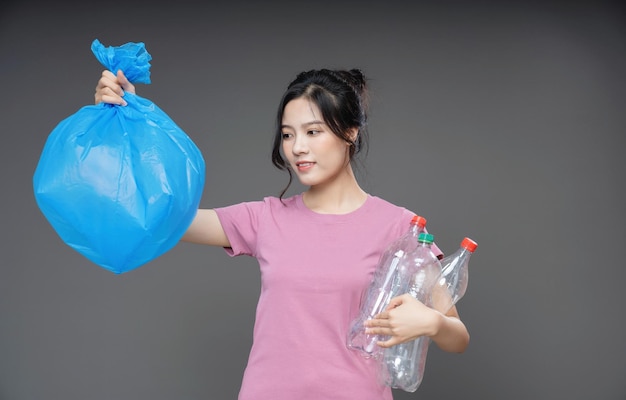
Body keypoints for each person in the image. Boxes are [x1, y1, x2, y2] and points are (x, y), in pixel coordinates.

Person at [95, 68, 470, 399]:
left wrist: (433, 323)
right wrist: (129, 123)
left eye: (313, 131)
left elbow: (458, 336)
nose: (297, 148)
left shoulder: (400, 227)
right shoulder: (266, 218)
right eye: (288, 135)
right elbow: (167, 218)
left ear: (351, 132)